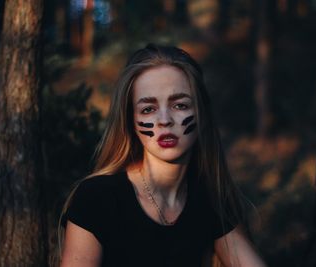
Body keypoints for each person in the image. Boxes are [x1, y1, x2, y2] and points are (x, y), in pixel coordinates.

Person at [59, 44, 267, 267]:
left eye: (180, 105)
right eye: (148, 109)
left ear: (202, 114)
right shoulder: (97, 198)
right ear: (130, 121)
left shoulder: (209, 200)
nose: (164, 120)